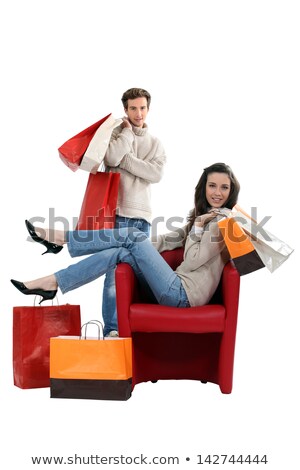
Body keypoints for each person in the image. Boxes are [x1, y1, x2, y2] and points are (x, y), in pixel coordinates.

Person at [11, 163, 240, 311]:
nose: (217, 193)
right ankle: (54, 282)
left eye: (224, 188)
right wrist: (135, 247)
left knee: (132, 235)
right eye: (212, 186)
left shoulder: (223, 223)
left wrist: (199, 227)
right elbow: (165, 240)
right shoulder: (205, 216)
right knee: (123, 249)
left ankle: (62, 238)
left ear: (231, 192)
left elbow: (192, 261)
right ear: (204, 188)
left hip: (183, 296)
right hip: (172, 287)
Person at [101, 87, 166, 336]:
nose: (138, 113)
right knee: (114, 275)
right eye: (133, 108)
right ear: (125, 110)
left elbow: (156, 174)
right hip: (117, 214)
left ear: (148, 109)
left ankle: (138, 329)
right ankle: (113, 330)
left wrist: (126, 161)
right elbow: (110, 157)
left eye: (142, 108)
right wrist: (127, 133)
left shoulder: (155, 143)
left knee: (142, 274)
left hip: (141, 218)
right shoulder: (118, 134)